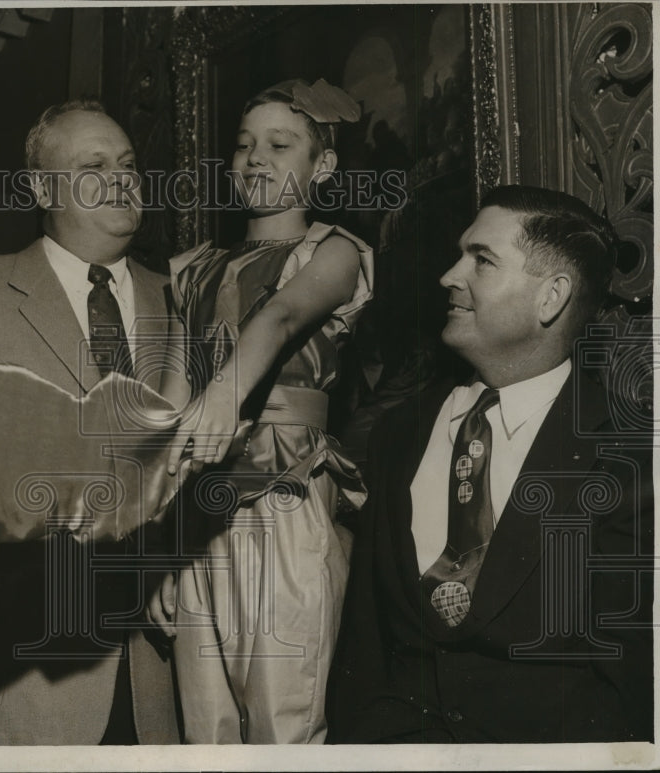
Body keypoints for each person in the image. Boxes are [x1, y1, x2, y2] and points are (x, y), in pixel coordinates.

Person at [327, 185, 654, 742]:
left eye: (482, 260)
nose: (449, 276)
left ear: (551, 297)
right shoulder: (397, 434)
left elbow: (634, 679)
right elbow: (365, 644)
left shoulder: (627, 457)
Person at [0, 100, 180, 745]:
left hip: (160, 688)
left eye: (129, 164)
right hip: (6, 692)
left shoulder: (185, 299)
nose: (121, 177)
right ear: (40, 187)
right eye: (93, 164)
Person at [145, 78, 374, 743]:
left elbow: (278, 316)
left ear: (321, 166)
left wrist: (223, 395)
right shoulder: (193, 268)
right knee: (205, 729)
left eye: (280, 144)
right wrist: (161, 547)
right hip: (198, 509)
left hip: (285, 491)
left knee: (284, 721)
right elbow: (169, 401)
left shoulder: (333, 252)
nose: (255, 158)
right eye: (244, 145)